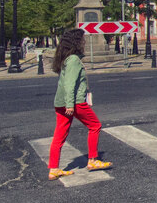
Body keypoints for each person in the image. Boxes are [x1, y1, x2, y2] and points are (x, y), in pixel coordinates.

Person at [47, 27, 112, 181]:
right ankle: (93, 160)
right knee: (95, 125)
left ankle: (54, 168)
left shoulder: (65, 58)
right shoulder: (74, 60)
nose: (84, 41)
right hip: (74, 102)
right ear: (77, 42)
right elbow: (70, 84)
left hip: (60, 102)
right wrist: (71, 105)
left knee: (59, 135)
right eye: (82, 39)